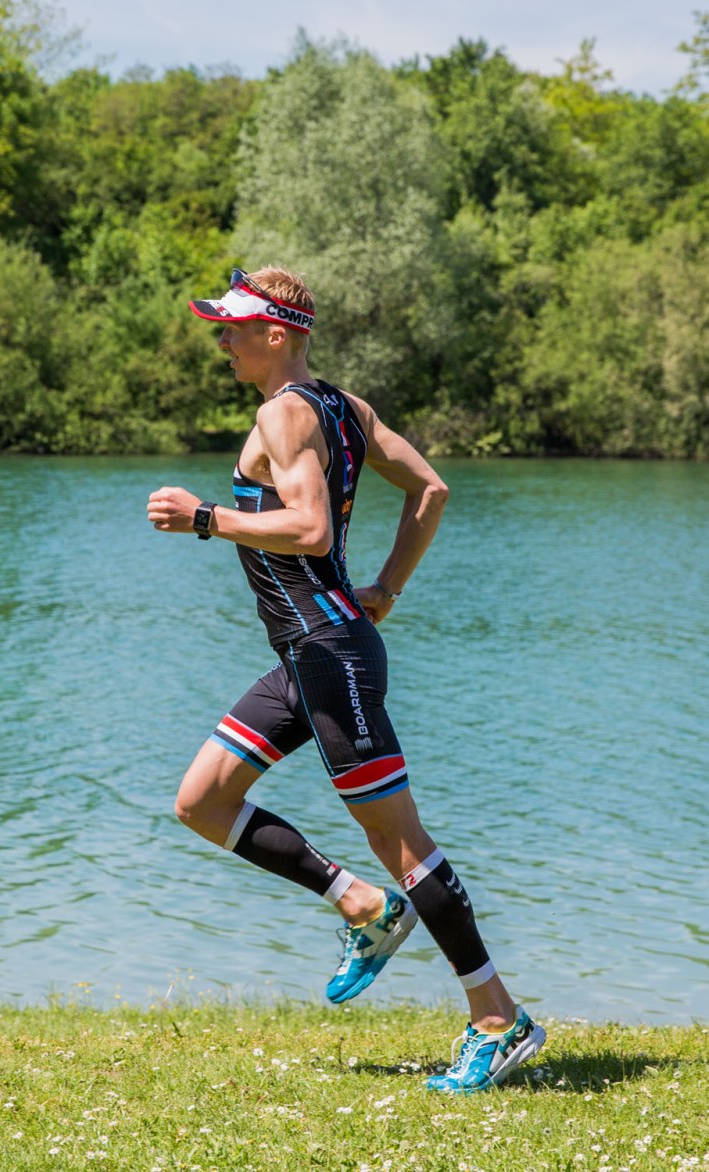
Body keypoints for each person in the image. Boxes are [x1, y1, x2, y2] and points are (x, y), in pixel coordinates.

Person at [146, 266, 545, 1094]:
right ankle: (362, 908)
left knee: (401, 842)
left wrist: (206, 519)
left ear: (278, 333)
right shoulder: (340, 405)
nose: (221, 339)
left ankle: (499, 1019)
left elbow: (309, 524)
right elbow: (428, 488)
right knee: (203, 800)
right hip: (315, 650)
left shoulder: (284, 412)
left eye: (233, 327)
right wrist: (388, 590)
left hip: (330, 657)